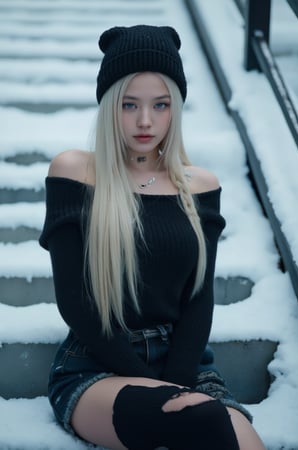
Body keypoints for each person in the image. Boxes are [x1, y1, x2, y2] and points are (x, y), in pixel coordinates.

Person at [39, 25, 266, 450]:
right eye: (129, 105)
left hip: (186, 363)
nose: (146, 121)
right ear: (109, 106)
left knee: (243, 441)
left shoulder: (198, 185)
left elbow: (199, 299)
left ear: (175, 108)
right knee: (200, 421)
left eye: (160, 105)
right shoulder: (75, 171)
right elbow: (76, 302)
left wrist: (179, 381)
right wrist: (151, 383)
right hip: (97, 366)